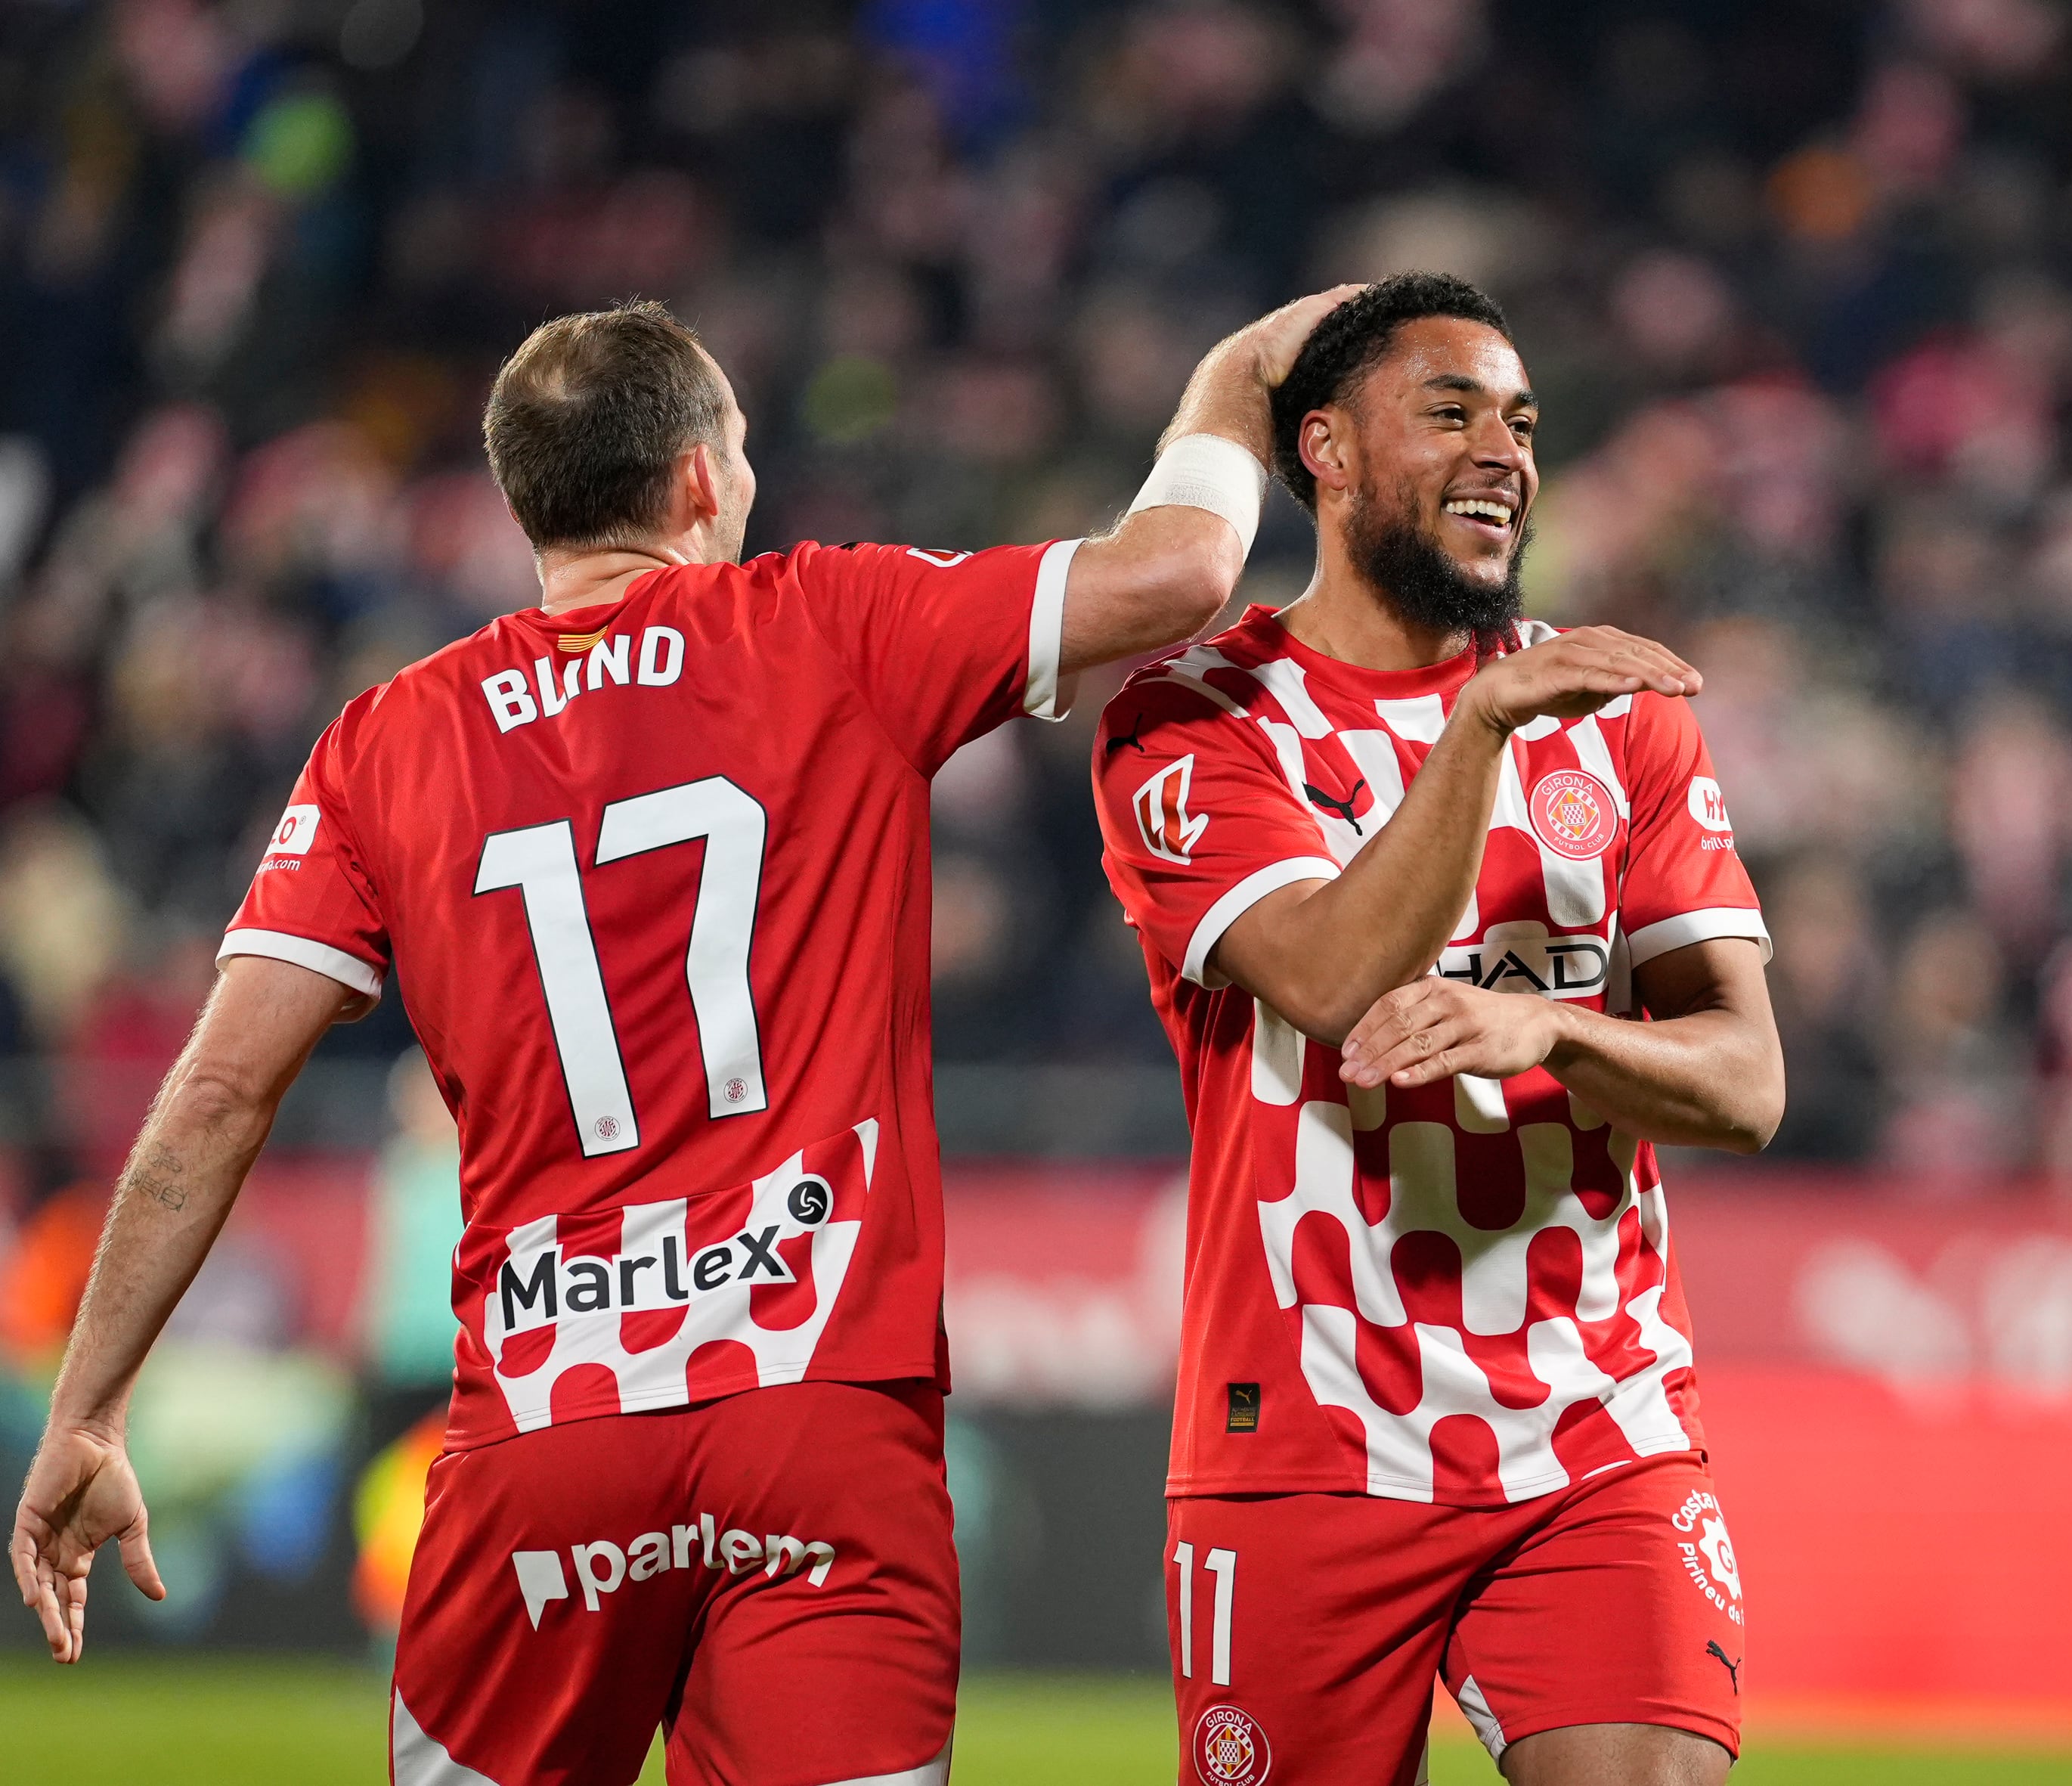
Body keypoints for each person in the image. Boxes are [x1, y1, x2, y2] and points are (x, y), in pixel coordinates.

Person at [12, 286, 1353, 1786]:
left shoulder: (389, 737)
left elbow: (214, 1096)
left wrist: (88, 1404)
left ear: (529, 501)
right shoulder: (827, 623)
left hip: (544, 1436)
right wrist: (1234, 382)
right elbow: (1175, 571)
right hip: (820, 1420)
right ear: (705, 477)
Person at [1092, 271, 1784, 1786]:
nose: (1503, 453)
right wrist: (1475, 729)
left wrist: (1554, 1030)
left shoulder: (1620, 716)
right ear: (1325, 451)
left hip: (1589, 1431)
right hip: (1299, 1448)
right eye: (1451, 410)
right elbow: (1330, 977)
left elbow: (1743, 1084)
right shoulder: (1192, 716)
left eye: (1521, 422)